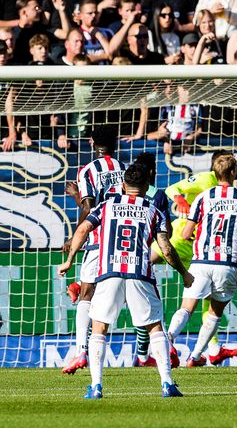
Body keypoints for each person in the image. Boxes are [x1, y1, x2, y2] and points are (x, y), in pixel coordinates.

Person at [59, 163, 193, 399]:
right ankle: (167, 384)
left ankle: (96, 387)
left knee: (99, 327)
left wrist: (69, 260)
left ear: (123, 185)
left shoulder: (105, 206)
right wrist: (184, 273)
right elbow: (166, 247)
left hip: (108, 273)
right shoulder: (154, 211)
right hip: (140, 274)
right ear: (146, 187)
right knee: (154, 327)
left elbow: (82, 231)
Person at [167, 153, 237, 367]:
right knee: (214, 313)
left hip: (201, 261)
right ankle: (194, 357)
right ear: (233, 173)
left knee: (186, 308)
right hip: (227, 265)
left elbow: (185, 234)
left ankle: (168, 339)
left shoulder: (203, 197)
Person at [61, 126, 127, 375]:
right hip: (122, 239)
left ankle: (81, 351)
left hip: (98, 237)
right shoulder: (124, 168)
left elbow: (89, 207)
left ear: (92, 143)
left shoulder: (88, 170)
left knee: (86, 294)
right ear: (114, 144)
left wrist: (74, 236)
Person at [131, 153, 173, 367]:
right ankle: (144, 357)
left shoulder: (117, 194)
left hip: (111, 257)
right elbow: (167, 232)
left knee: (98, 311)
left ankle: (83, 352)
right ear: (151, 172)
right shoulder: (158, 196)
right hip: (140, 260)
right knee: (149, 309)